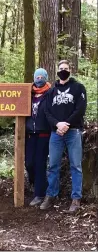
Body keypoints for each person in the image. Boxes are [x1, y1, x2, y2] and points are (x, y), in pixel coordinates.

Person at [40, 60, 87, 213]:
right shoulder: (51, 92)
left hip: (73, 132)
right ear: (57, 71)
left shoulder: (78, 88)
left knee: (76, 166)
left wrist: (66, 124)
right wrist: (58, 125)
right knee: (53, 165)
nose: (63, 71)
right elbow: (47, 112)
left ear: (70, 70)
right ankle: (51, 195)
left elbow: (80, 109)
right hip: (56, 133)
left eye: (66, 68)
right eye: (61, 69)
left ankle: (76, 198)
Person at [25, 68, 52, 206]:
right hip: (30, 134)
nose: (39, 79)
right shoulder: (28, 94)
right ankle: (38, 184)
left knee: (40, 163)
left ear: (46, 78)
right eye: (37, 77)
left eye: (42, 77)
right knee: (29, 163)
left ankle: (39, 194)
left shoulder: (50, 93)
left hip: (44, 134)